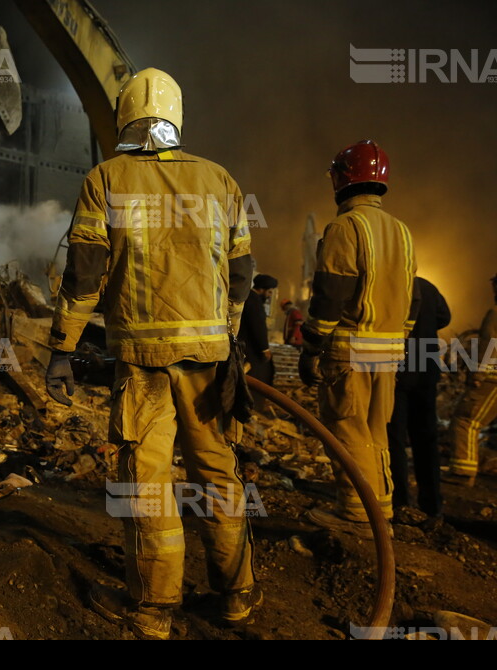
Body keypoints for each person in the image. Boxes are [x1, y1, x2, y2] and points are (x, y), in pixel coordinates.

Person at [44, 68, 258, 639]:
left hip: (144, 364)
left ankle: (153, 611)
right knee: (219, 474)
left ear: (124, 116)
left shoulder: (106, 178)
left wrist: (62, 348)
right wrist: (227, 335)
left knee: (148, 481)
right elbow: (241, 277)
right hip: (211, 359)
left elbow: (85, 273)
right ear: (177, 117)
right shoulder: (221, 180)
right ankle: (235, 597)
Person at [299, 139, 419, 536]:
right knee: (375, 431)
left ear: (341, 178)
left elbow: (331, 292)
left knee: (347, 429)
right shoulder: (401, 232)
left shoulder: (345, 226)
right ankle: (379, 509)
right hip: (388, 354)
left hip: (350, 350)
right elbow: (413, 298)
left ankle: (355, 514)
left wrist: (312, 345)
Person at [387, 277, 450, 517]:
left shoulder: (390, 283)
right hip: (426, 372)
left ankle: (400, 502)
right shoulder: (428, 287)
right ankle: (432, 505)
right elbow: (446, 317)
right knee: (427, 440)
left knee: (395, 440)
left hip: (398, 373)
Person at [445, 272, 497, 486]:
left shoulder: (495, 313)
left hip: (491, 380)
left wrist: (478, 374)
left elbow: (489, 344)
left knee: (466, 420)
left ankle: (462, 472)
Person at [240, 274, 277, 394]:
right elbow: (258, 325)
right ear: (262, 289)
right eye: (269, 292)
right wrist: (264, 348)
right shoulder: (254, 300)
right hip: (250, 349)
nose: (269, 296)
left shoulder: (246, 296)